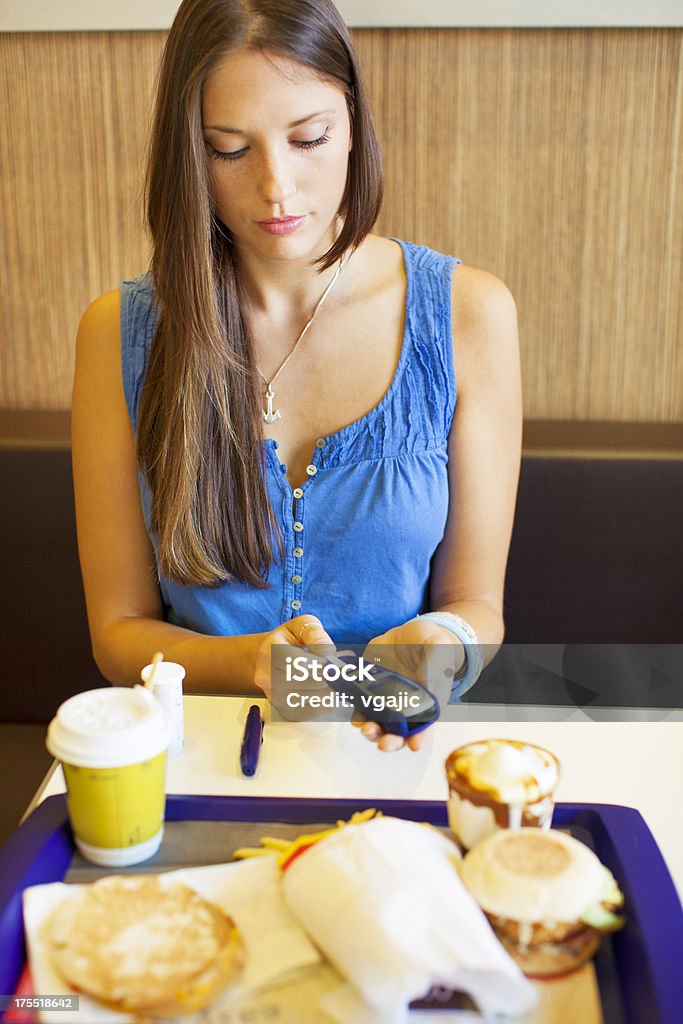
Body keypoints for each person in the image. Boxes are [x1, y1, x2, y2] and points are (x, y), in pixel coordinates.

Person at [71, 0, 522, 752]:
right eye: (228, 149)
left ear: (352, 124)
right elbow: (118, 634)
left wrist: (438, 641)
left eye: (308, 137)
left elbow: (477, 605)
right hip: (199, 756)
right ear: (189, 152)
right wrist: (252, 663)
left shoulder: (468, 315)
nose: (277, 187)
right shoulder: (118, 332)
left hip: (396, 746)